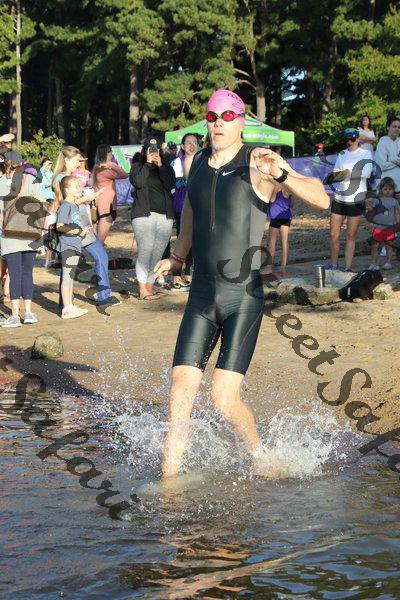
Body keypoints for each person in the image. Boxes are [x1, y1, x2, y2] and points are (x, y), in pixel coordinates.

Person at [154, 89, 329, 479]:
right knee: (180, 391)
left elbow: (322, 200)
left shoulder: (258, 160)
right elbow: (191, 211)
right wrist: (177, 256)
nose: (219, 123)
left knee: (222, 399)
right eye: (212, 116)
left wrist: (281, 174)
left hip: (243, 298)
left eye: (227, 116)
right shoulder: (197, 162)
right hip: (201, 295)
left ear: (242, 120)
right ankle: (168, 486)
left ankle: (259, 455)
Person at [0, 151, 44, 328]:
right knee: (27, 273)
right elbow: (42, 204)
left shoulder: (1, 183)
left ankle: (14, 316)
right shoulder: (31, 180)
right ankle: (29, 312)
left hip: (9, 233)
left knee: (14, 273)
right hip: (30, 232)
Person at [130, 136, 175, 300]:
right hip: (143, 216)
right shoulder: (137, 166)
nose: (154, 152)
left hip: (165, 217)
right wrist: (148, 164)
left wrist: (160, 165)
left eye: (156, 149)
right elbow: (138, 182)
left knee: (157, 254)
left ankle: (149, 288)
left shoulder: (166, 167)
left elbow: (170, 184)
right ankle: (143, 291)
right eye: (150, 148)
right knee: (145, 252)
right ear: (145, 150)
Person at [328, 127, 373, 272]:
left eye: (352, 138)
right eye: (347, 139)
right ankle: (334, 265)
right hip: (339, 197)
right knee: (333, 234)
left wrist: (347, 173)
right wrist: (338, 174)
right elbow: (335, 173)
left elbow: (367, 173)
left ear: (358, 139)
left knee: (350, 236)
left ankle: (347, 268)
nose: (349, 142)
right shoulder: (342, 154)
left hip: (356, 199)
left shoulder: (366, 153)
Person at [56, 175, 91, 319]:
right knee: (67, 277)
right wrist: (78, 231)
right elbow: (60, 226)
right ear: (67, 189)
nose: (79, 188)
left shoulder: (73, 205)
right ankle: (67, 309)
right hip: (68, 246)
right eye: (76, 186)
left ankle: (69, 305)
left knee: (70, 277)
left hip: (74, 245)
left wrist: (82, 231)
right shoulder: (65, 206)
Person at [170, 133, 199, 290]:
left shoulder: (202, 161)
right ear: (182, 146)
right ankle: (176, 276)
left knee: (194, 242)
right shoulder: (176, 163)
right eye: (188, 143)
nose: (192, 145)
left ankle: (188, 274)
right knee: (182, 238)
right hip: (181, 207)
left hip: (198, 206)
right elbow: (171, 185)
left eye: (195, 142)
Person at [92, 144, 128, 244]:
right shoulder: (103, 171)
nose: (112, 154)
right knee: (100, 241)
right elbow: (124, 174)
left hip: (104, 205)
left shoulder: (97, 168)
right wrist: (112, 164)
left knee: (100, 240)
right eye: (111, 152)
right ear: (107, 153)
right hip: (106, 208)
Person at [367, 177, 399, 271]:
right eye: (385, 189)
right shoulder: (377, 200)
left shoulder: (394, 201)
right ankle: (373, 263)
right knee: (375, 246)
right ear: (381, 189)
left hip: (390, 228)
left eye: (390, 189)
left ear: (393, 189)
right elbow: (371, 211)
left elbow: (397, 213)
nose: (388, 191)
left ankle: (388, 263)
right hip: (377, 227)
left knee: (389, 245)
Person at [260, 190, 293, 277]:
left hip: (276, 216)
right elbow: (292, 204)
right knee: (285, 242)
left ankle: (268, 267)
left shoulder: (276, 187)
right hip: (286, 216)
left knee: (271, 242)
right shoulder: (289, 188)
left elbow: (271, 200)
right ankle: (283, 268)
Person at [375, 116, 400, 193]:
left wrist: (391, 159)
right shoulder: (382, 143)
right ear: (388, 127)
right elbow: (381, 165)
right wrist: (397, 162)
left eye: (399, 127)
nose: (397, 129)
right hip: (387, 188)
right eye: (394, 127)